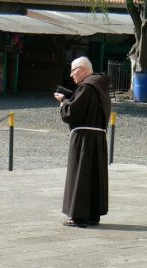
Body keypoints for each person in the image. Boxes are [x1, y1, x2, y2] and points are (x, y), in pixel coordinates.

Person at [54, 56, 111, 228]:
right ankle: (93, 214)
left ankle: (78, 216)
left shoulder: (86, 87)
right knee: (93, 176)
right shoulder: (100, 86)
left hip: (83, 138)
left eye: (73, 70)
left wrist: (63, 101)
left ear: (83, 69)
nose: (71, 75)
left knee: (80, 176)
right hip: (98, 137)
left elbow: (71, 113)